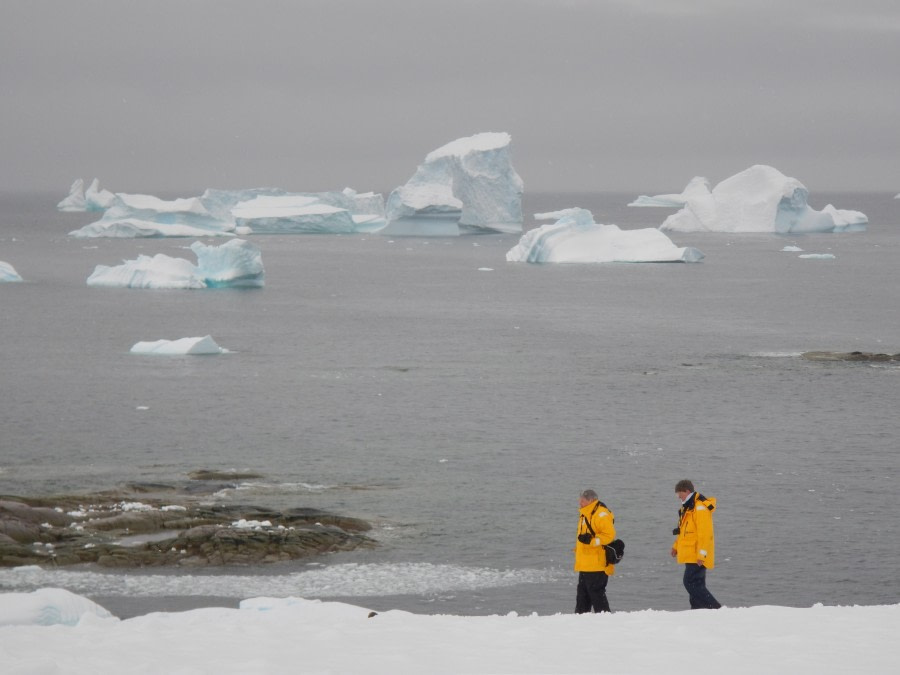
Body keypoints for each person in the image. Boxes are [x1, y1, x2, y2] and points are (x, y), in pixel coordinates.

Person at [670, 479, 721, 609]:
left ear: (687, 491)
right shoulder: (688, 507)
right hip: (691, 552)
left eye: (679, 494)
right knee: (697, 584)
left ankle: (715, 608)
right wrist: (676, 547)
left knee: (689, 582)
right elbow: (684, 531)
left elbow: (705, 533)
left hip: (697, 554)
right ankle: (698, 611)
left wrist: (702, 555)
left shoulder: (699, 508)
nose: (678, 498)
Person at [574, 489, 617, 613]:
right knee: (582, 597)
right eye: (580, 500)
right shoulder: (585, 514)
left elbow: (609, 535)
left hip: (597, 564)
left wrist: (592, 541)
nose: (580, 503)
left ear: (591, 500)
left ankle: (605, 620)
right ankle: (580, 621)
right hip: (585, 563)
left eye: (582, 501)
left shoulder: (601, 514)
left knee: (597, 595)